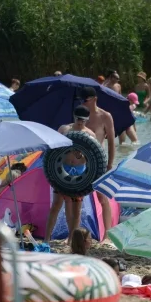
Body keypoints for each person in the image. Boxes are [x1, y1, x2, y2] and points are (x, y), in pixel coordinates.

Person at [45, 106, 97, 242]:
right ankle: (46, 237)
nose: (80, 123)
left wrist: (81, 154)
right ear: (74, 117)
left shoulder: (90, 135)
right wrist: (70, 151)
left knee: (76, 208)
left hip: (80, 171)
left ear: (87, 120)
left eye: (83, 120)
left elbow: (96, 157)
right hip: (63, 168)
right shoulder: (64, 130)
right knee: (56, 204)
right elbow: (53, 151)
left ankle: (71, 239)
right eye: (78, 119)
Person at [77, 91, 116, 240]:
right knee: (77, 198)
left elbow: (112, 142)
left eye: (85, 98)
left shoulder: (105, 116)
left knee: (103, 198)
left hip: (99, 161)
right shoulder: (80, 114)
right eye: (81, 99)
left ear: (94, 99)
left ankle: (107, 233)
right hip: (81, 161)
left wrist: (110, 164)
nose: (83, 101)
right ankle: (77, 232)